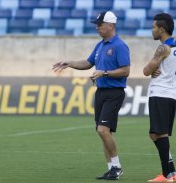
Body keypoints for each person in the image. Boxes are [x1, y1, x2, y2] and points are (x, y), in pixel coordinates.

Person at [53, 11, 130, 180]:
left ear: (110, 25)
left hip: (113, 92)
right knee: (102, 131)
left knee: (103, 130)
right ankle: (111, 169)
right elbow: (88, 63)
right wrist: (70, 63)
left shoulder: (119, 46)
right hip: (101, 92)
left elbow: (126, 70)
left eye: (100, 24)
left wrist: (105, 73)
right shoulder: (100, 45)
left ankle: (117, 167)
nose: (97, 27)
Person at [143, 13, 176, 182]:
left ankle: (166, 175)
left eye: (154, 27)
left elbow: (145, 70)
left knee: (160, 134)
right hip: (171, 93)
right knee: (155, 134)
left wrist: (152, 69)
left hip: (161, 92)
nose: (152, 30)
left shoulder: (163, 48)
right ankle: (172, 172)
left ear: (162, 29)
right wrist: (155, 69)